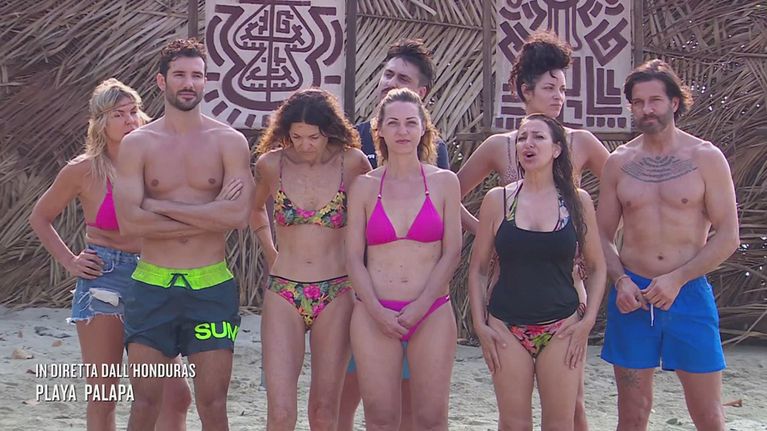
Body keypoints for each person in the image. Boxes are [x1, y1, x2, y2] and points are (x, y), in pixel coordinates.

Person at [456, 31, 608, 430]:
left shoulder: (580, 142)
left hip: (566, 283)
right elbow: (447, 194)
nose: (559, 97)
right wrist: (486, 234)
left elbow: (623, 193)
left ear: (555, 149)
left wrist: (592, 236)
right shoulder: (500, 146)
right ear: (526, 90)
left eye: (563, 89)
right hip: (509, 283)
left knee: (573, 405)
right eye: (550, 88)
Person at [28, 78, 191, 431]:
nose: (130, 120)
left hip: (155, 277)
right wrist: (70, 261)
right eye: (119, 114)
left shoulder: (157, 164)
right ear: (101, 122)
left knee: (176, 395)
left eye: (134, 111)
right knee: (104, 395)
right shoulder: (83, 169)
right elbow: (40, 217)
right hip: (105, 279)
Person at [113, 39, 253, 431]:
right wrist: (212, 213)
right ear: (162, 81)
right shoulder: (137, 144)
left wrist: (158, 205)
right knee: (145, 403)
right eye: (179, 75)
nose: (189, 83)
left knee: (213, 404)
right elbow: (131, 223)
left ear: (206, 81)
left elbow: (238, 216)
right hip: (151, 286)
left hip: (211, 288)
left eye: (196, 75)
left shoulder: (229, 141)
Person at [597, 59, 739, 431]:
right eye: (638, 102)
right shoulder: (619, 162)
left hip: (688, 293)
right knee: (632, 414)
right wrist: (620, 280)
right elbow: (601, 235)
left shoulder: (705, 158)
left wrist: (677, 278)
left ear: (674, 103)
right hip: (633, 296)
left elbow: (728, 235)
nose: (647, 109)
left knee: (708, 415)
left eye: (655, 100)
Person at [340, 37, 450, 431]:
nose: (391, 83)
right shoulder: (353, 152)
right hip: (364, 299)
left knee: (423, 414)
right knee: (364, 410)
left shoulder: (441, 170)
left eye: (402, 79)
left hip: (428, 307)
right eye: (387, 74)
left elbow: (450, 245)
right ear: (380, 129)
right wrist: (371, 305)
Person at [250, 88, 371, 430]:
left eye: (313, 137)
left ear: (329, 131)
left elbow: (370, 216)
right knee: (280, 413)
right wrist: (271, 251)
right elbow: (255, 209)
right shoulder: (271, 164)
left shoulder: (352, 163)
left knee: (323, 411)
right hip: (283, 290)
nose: (304, 145)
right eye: (296, 137)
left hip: (336, 290)